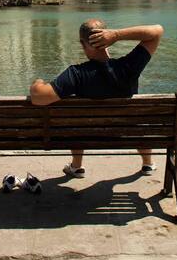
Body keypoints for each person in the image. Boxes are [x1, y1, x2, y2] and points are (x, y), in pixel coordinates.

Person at [29, 18, 164, 178]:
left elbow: (38, 98)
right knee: (137, 120)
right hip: (128, 130)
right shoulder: (129, 66)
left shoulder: (76, 74)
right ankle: (147, 163)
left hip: (88, 132)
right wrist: (117, 35)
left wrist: (37, 83)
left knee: (76, 123)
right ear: (108, 39)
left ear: (82, 44)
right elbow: (157, 31)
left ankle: (76, 166)